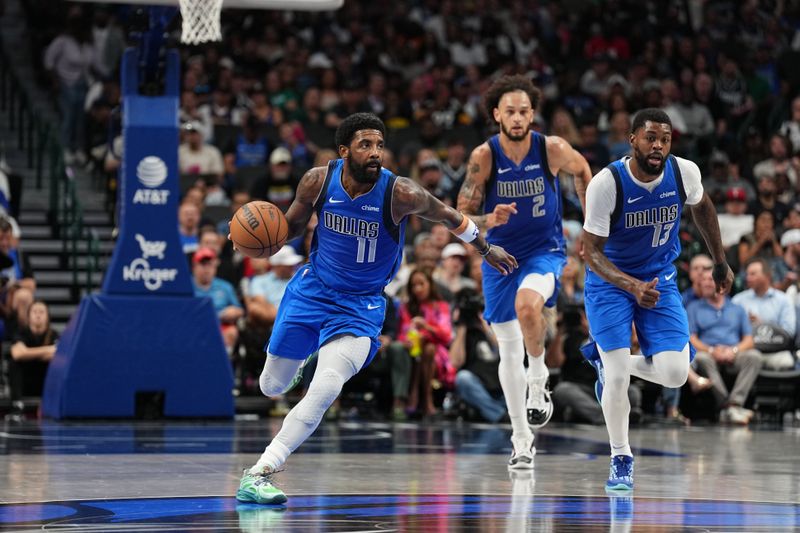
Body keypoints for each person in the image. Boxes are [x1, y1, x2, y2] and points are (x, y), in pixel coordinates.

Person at [235, 112, 516, 504]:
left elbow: (451, 216)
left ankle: (261, 471)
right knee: (271, 386)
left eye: (380, 145)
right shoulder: (318, 180)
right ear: (344, 150)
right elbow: (292, 226)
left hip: (360, 306)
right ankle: (298, 360)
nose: (375, 153)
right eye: (366, 145)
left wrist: (486, 248)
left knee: (328, 384)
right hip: (312, 291)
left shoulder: (402, 193)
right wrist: (258, 238)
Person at [581, 108, 733, 491]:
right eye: (650, 137)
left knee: (675, 374)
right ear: (632, 139)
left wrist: (720, 261)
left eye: (664, 139)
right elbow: (591, 253)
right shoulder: (606, 183)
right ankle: (621, 458)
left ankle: (607, 363)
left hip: (659, 279)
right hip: (610, 283)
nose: (658, 145)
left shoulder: (684, 172)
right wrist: (631, 287)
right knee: (617, 379)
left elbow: (703, 208)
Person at [456, 74, 591, 468]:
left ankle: (538, 378)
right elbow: (461, 216)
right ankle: (520, 438)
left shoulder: (551, 148)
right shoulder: (484, 156)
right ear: (497, 114)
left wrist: (591, 228)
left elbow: (584, 173)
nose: (518, 118)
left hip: (543, 251)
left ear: (533, 115)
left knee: (529, 307)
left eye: (524, 112)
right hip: (498, 255)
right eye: (510, 111)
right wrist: (488, 218)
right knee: (508, 351)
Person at [688, 271, 762, 425]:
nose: (705, 283)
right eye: (703, 280)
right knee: (701, 358)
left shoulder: (737, 308)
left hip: (733, 354)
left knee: (754, 356)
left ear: (722, 283)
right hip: (708, 353)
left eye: (710, 279)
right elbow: (691, 338)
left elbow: (749, 340)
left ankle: (734, 404)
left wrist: (733, 351)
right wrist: (711, 350)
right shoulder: (694, 307)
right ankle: (727, 405)